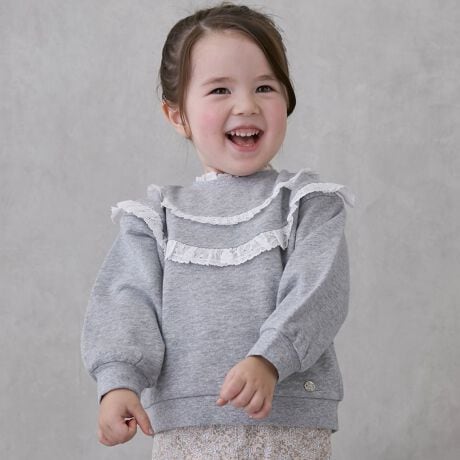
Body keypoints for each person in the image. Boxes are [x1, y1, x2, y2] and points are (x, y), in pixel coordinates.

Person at [81, 2, 356, 459]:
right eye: (220, 90)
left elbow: (318, 294)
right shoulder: (155, 220)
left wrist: (269, 358)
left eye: (265, 87)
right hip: (185, 434)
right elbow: (126, 304)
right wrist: (118, 382)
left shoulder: (307, 203)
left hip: (288, 429)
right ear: (177, 115)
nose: (246, 105)